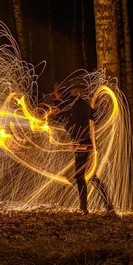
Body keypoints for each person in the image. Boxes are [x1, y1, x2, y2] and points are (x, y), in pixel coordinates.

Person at [47, 79, 114, 214]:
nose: (55, 96)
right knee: (91, 176)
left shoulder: (71, 105)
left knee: (80, 176)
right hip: (85, 143)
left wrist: (54, 116)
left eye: (56, 93)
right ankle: (108, 206)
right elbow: (93, 116)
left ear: (61, 93)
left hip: (82, 144)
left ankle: (84, 208)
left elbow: (71, 122)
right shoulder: (78, 102)